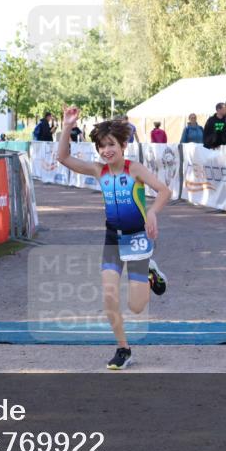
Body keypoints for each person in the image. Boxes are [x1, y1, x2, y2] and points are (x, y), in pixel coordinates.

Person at [57, 107, 170, 370]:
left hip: (138, 239)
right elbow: (63, 157)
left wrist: (153, 212)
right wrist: (66, 127)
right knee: (109, 294)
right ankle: (123, 348)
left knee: (137, 306)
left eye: (111, 145)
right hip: (112, 238)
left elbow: (164, 191)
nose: (106, 151)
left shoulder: (135, 170)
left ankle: (151, 271)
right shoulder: (100, 171)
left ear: (123, 145)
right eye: (101, 146)